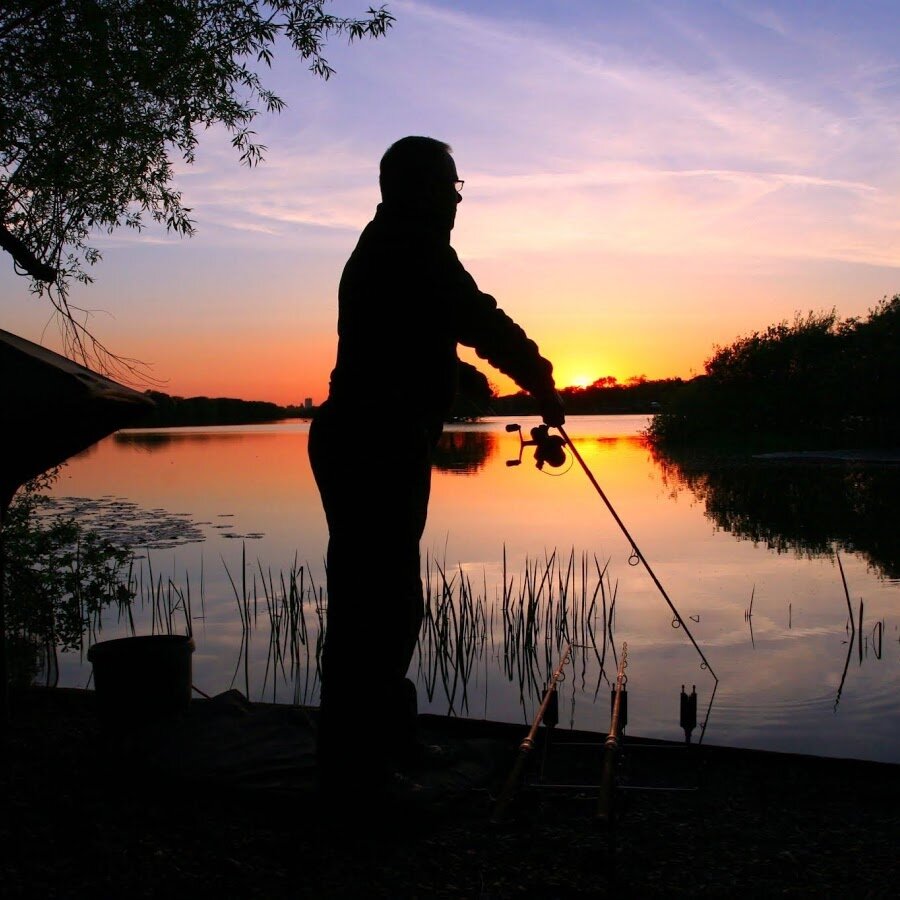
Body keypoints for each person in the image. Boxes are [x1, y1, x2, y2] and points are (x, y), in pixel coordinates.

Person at [308, 135, 565, 795]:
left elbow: (412, 339)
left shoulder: (392, 247)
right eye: (448, 185)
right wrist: (540, 379)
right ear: (418, 188)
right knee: (381, 603)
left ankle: (372, 746)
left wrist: (461, 376)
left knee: (376, 599)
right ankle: (361, 764)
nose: (456, 198)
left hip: (367, 436)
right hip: (373, 442)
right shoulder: (414, 247)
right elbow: (478, 318)